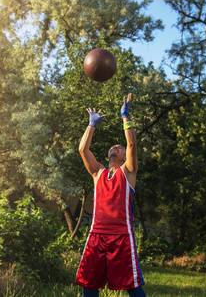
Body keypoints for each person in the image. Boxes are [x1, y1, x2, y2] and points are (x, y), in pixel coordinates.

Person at [75, 93, 146, 297]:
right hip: (96, 235)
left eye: (120, 147)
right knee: (89, 283)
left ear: (124, 157)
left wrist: (125, 116)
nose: (117, 146)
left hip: (121, 236)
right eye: (113, 147)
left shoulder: (128, 172)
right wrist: (92, 125)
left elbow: (132, 144)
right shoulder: (98, 173)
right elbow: (82, 149)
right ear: (108, 155)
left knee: (132, 285)